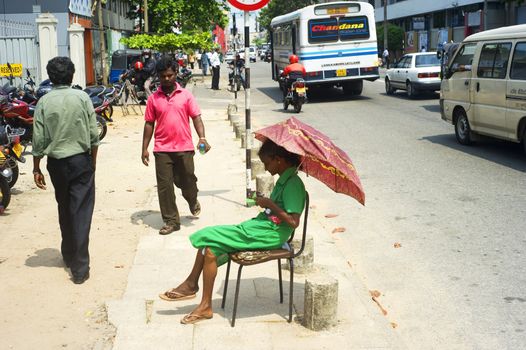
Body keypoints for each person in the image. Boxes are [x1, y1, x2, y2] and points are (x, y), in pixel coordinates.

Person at [158, 139, 306, 324]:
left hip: (270, 234)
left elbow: (293, 222)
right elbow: (277, 211)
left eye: (267, 162)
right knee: (210, 250)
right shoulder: (284, 180)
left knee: (207, 234)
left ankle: (191, 285)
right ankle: (204, 305)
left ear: (279, 159)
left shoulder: (293, 184)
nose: (266, 168)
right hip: (260, 228)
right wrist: (267, 204)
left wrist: (269, 204)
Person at [32, 56, 99, 285]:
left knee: (64, 206)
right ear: (72, 75)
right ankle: (80, 269)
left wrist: (36, 167)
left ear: (51, 78)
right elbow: (93, 135)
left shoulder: (44, 102)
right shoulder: (82, 97)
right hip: (81, 161)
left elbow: (38, 139)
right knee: (81, 211)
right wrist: (93, 163)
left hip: (56, 163)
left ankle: (69, 254)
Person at [141, 56, 211, 235]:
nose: (166, 79)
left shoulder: (186, 96)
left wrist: (202, 137)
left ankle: (192, 198)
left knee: (187, 179)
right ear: (158, 76)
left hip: (184, 147)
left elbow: (196, 117)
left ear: (176, 74)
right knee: (165, 187)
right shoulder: (153, 99)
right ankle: (171, 221)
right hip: (162, 149)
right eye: (163, 76)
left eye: (170, 75)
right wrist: (144, 148)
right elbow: (149, 123)